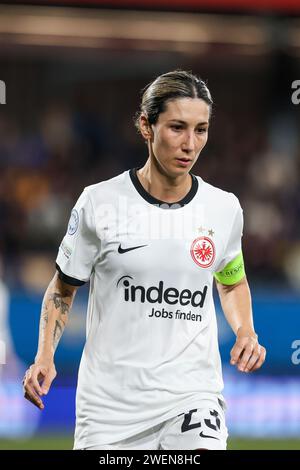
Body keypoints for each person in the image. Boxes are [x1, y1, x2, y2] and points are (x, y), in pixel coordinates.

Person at [23, 70, 266, 450]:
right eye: (176, 127)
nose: (190, 144)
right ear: (145, 126)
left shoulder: (224, 209)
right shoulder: (99, 203)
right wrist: (44, 356)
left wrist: (246, 332)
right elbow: (63, 288)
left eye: (200, 129)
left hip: (192, 396)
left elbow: (231, 279)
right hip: (108, 409)